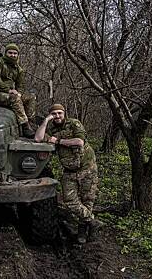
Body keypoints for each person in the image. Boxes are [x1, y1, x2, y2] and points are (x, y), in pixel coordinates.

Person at [35, 104, 103, 244]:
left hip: (87, 167)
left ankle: (83, 232)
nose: (57, 116)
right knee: (69, 200)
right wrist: (46, 121)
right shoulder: (51, 127)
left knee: (87, 201)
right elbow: (38, 138)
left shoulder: (73, 124)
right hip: (69, 170)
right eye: (54, 113)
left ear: (64, 113)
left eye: (59, 113)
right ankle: (93, 221)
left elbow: (79, 142)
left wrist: (58, 141)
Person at [0, 43, 35, 138]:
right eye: (10, 53)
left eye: (15, 53)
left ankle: (30, 122)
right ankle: (25, 125)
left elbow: (20, 84)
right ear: (6, 53)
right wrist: (8, 90)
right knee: (14, 99)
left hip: (11, 93)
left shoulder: (18, 69)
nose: (12, 55)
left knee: (31, 97)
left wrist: (19, 93)